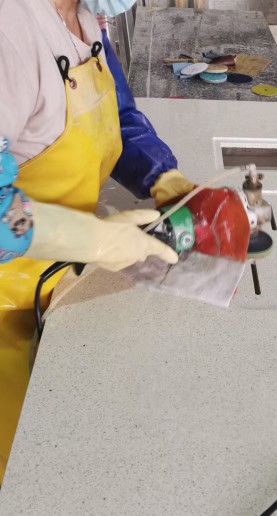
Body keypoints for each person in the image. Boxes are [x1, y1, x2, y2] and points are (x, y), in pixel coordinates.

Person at [0, 0, 197, 479]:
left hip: (56, 286)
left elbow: (116, 115)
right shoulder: (10, 32)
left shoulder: (83, 18)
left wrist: (161, 175)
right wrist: (92, 239)